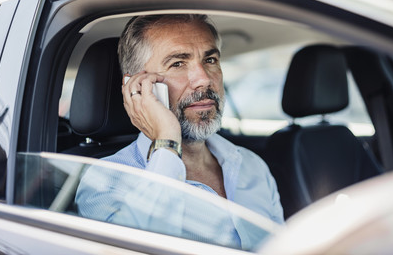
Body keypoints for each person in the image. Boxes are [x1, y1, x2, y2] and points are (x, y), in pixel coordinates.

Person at [76, 14, 283, 249]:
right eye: (177, 63)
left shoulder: (251, 165)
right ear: (137, 87)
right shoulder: (105, 182)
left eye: (211, 60)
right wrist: (166, 142)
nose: (204, 80)